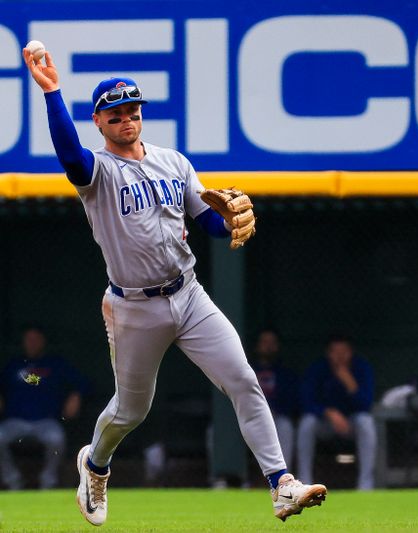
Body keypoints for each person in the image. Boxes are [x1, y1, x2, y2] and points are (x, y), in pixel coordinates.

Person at [23, 48, 325, 525]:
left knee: (244, 380)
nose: (127, 120)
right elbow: (68, 153)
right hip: (134, 308)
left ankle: (281, 485)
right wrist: (51, 90)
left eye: (133, 111)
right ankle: (95, 465)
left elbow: (209, 222)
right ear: (98, 122)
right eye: (115, 114)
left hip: (188, 294)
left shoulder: (174, 162)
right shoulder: (97, 173)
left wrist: (229, 222)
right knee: (130, 411)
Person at [0, 327, 90, 490]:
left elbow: (83, 383)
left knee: (56, 439)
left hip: (46, 421)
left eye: (36, 339)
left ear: (43, 342)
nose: (32, 343)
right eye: (29, 339)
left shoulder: (55, 364)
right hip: (14, 421)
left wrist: (76, 395)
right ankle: (12, 480)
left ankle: (48, 480)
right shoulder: (13, 365)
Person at [297, 335, 377, 490]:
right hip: (325, 424)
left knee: (366, 422)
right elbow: (306, 402)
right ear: (328, 353)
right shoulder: (318, 368)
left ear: (351, 353)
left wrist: (350, 384)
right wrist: (328, 412)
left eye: (344, 352)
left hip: (351, 424)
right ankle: (304, 483)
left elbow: (366, 405)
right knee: (307, 423)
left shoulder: (361, 368)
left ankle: (366, 485)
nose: (340, 357)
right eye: (336, 352)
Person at [251, 329, 300, 471]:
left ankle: (284, 479)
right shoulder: (247, 368)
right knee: (219, 430)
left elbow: (292, 400)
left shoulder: (285, 372)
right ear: (257, 345)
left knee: (285, 426)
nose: (268, 346)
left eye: (272, 343)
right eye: (264, 342)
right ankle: (227, 478)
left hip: (276, 416)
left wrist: (273, 410)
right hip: (246, 416)